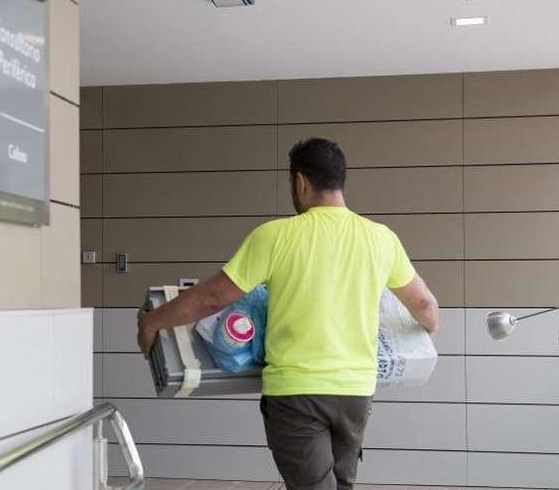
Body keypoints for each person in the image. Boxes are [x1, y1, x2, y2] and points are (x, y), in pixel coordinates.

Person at [136, 138, 440, 490]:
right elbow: (425, 306)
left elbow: (212, 298)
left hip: (298, 396)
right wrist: (423, 340)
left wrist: (152, 322)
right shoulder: (381, 239)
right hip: (356, 394)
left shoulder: (276, 236)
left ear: (300, 182)